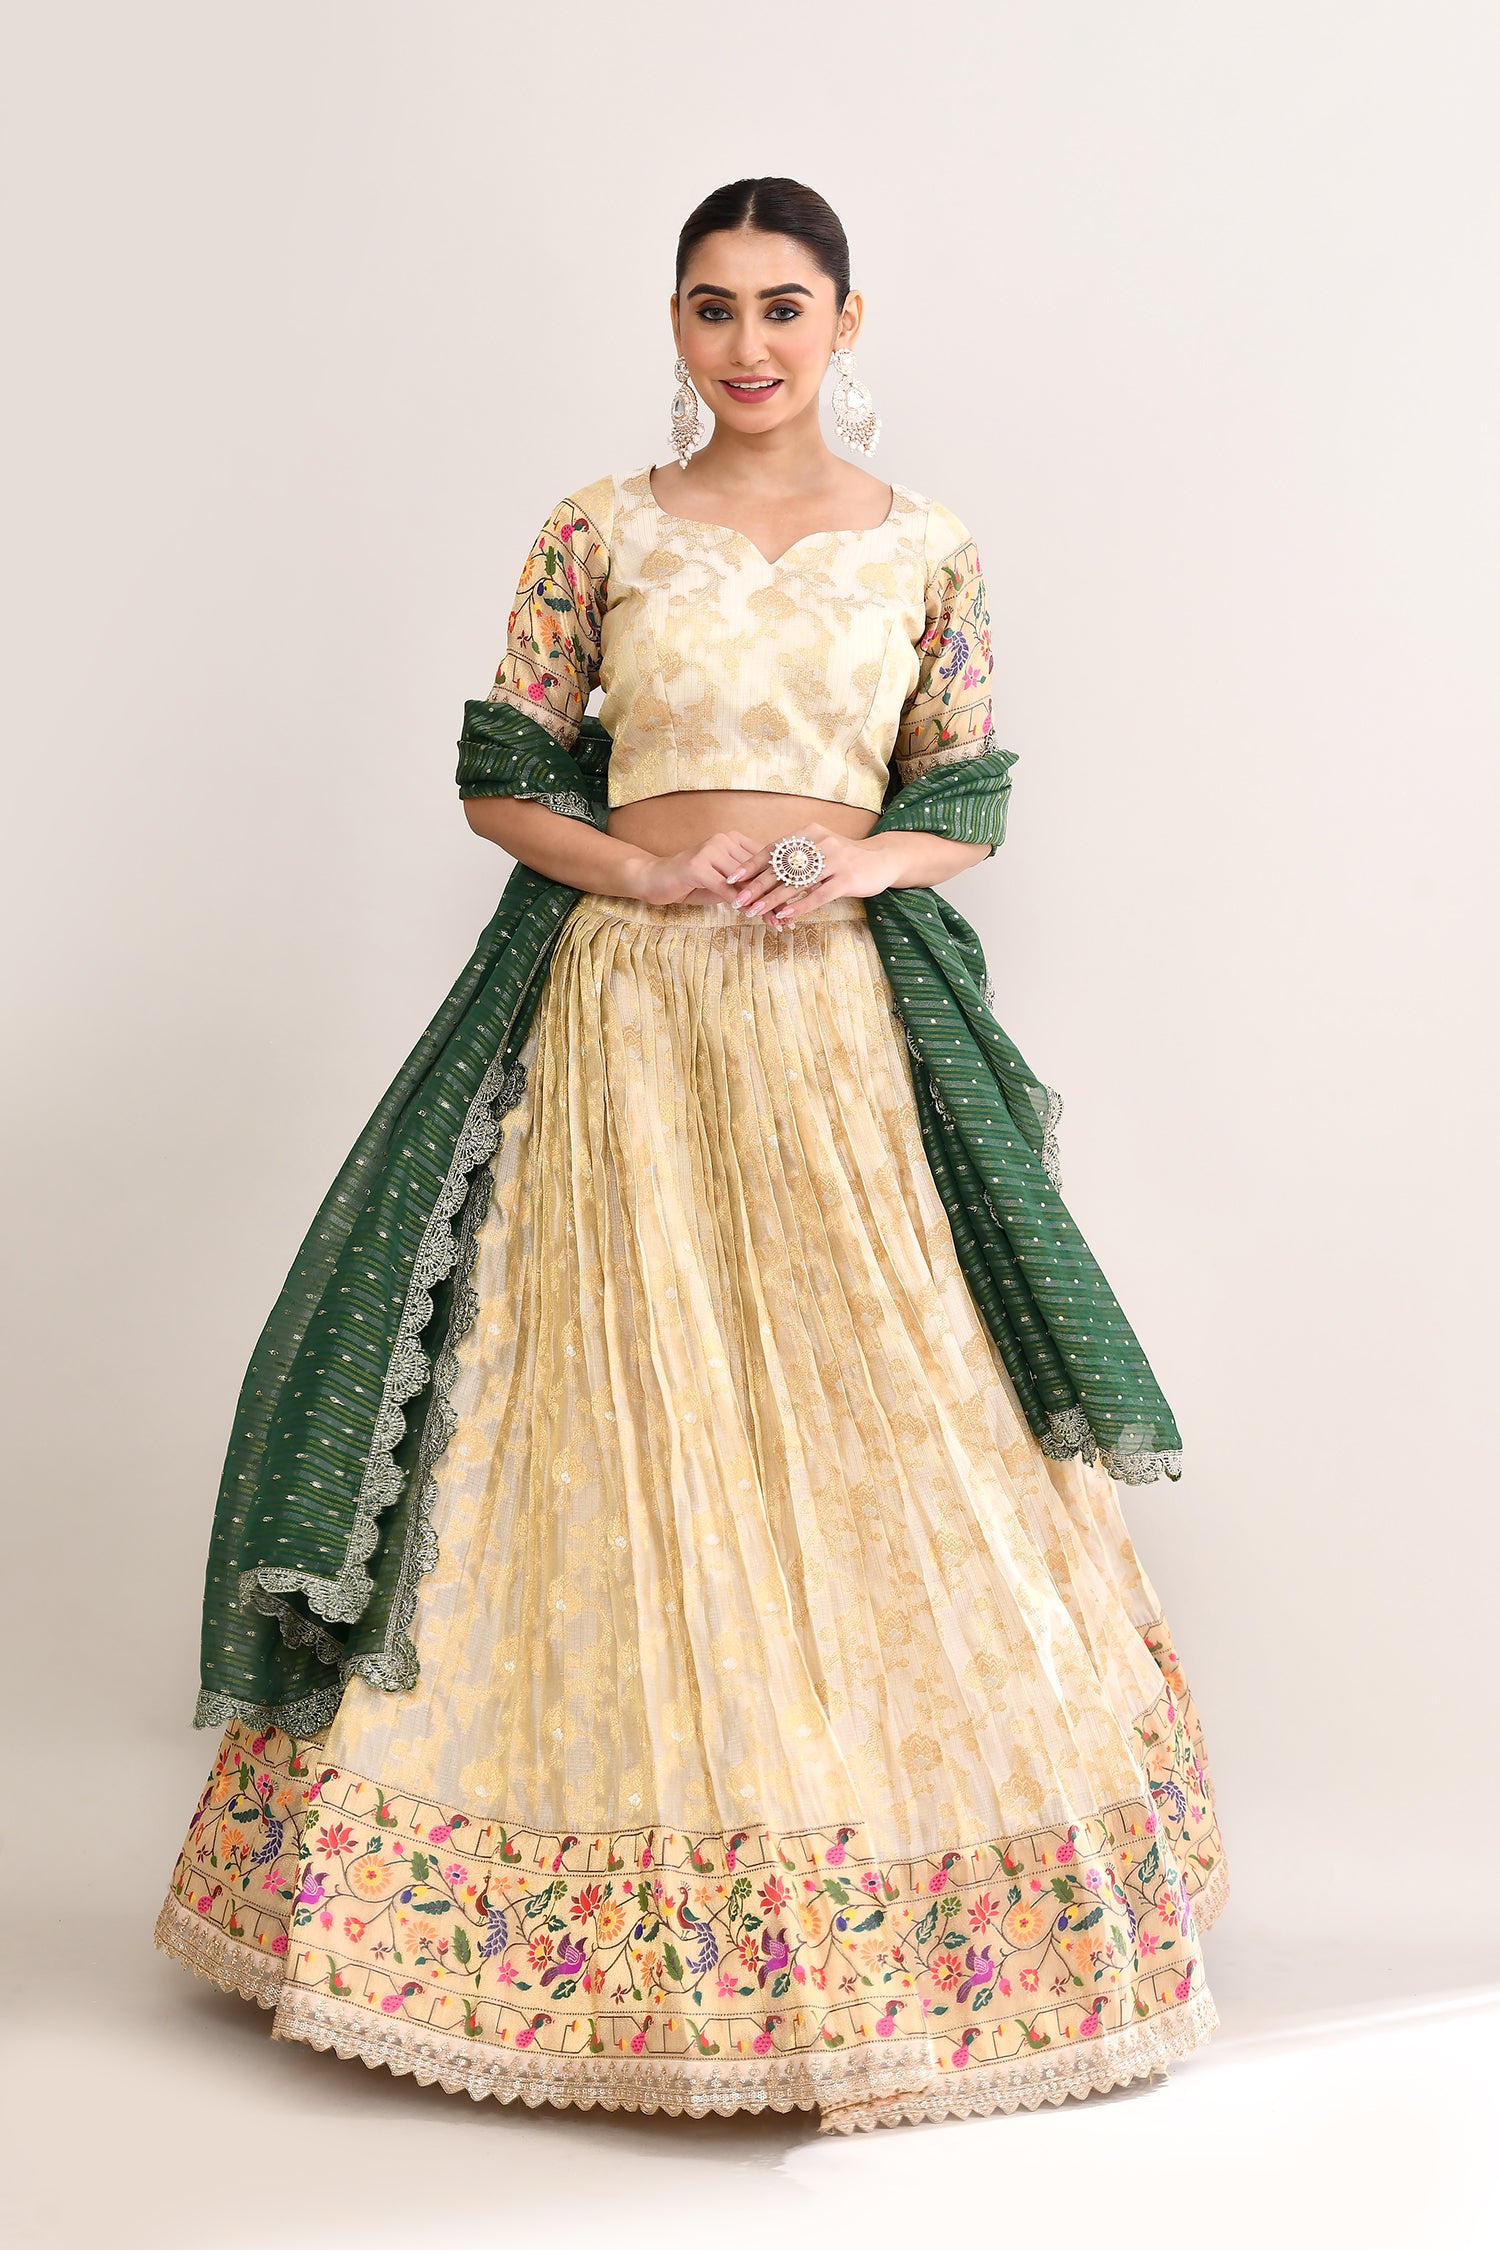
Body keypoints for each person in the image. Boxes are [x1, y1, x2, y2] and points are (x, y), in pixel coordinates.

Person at [155, 176, 1228, 2133]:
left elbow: (967, 794)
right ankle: (556, 1945)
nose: (749, 343)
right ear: (675, 324)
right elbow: (503, 776)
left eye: (783, 306)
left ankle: (899, 1918)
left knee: (879, 1404)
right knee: (587, 1407)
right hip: (626, 1013)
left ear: (846, 322)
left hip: (831, 1021)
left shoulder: (927, 547)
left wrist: (854, 862)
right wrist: (642, 872)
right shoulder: (598, 530)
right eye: (714, 307)